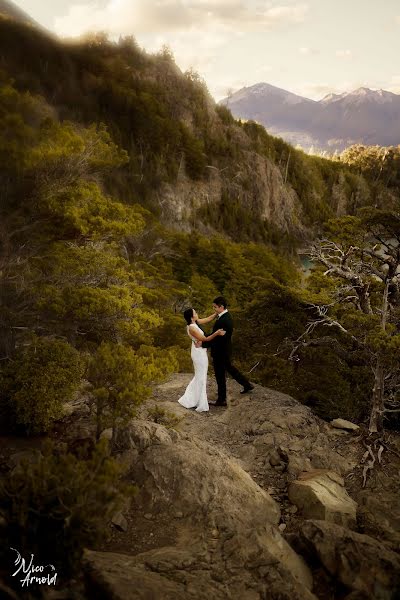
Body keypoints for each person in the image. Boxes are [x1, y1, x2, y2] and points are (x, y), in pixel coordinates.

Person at [200, 296, 254, 406]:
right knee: (230, 368)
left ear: (221, 307)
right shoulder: (225, 317)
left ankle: (222, 399)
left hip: (220, 351)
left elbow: (217, 338)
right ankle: (246, 384)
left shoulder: (224, 320)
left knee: (220, 375)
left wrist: (204, 342)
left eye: (215, 307)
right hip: (224, 350)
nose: (214, 309)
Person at [178, 308, 226, 412]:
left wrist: (216, 313)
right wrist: (217, 333)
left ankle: (195, 399)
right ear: (191, 317)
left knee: (200, 375)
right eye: (195, 312)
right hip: (198, 353)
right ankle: (198, 401)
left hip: (200, 350)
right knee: (201, 376)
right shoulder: (192, 328)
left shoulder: (195, 322)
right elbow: (205, 339)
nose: (197, 313)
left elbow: (208, 319)